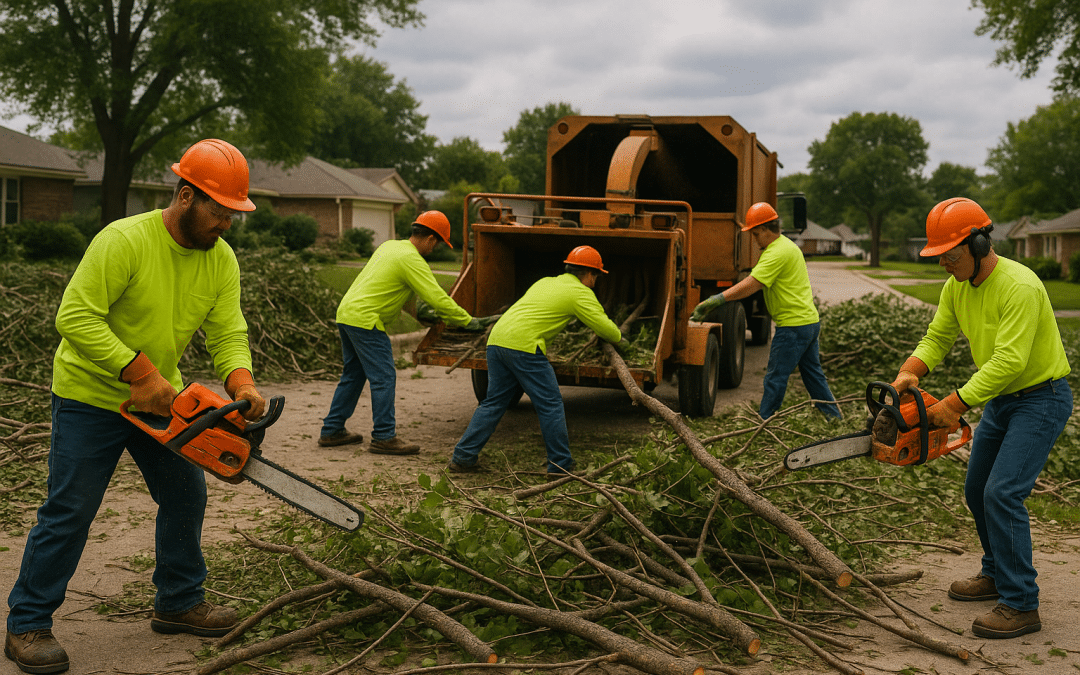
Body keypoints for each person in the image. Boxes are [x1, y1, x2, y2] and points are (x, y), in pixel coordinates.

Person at [5, 139, 267, 674]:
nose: (227, 223)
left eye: (234, 213)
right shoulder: (124, 239)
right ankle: (27, 624)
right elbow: (75, 317)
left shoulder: (221, 260)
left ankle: (177, 602)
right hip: (90, 396)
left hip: (159, 400)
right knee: (71, 510)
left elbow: (228, 331)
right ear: (186, 195)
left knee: (185, 494)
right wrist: (138, 372)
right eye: (220, 210)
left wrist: (241, 382)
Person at [889, 197, 1071, 640]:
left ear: (979, 243)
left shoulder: (1019, 285)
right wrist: (909, 372)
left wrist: (953, 404)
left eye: (950, 254)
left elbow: (1010, 360)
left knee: (1003, 493)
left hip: (1040, 399)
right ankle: (996, 573)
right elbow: (938, 336)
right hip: (1002, 401)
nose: (944, 264)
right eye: (939, 256)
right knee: (977, 490)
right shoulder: (957, 287)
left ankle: (1022, 603)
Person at [319, 211, 491, 455]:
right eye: (439, 242)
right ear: (431, 238)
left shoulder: (391, 247)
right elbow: (438, 298)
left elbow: (404, 293)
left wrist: (419, 315)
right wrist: (468, 321)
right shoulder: (412, 259)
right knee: (384, 377)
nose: (436, 248)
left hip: (346, 315)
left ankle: (332, 430)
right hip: (366, 321)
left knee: (353, 375)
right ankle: (383, 436)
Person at [448, 245, 626, 477]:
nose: (596, 280)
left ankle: (462, 458)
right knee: (550, 404)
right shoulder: (581, 293)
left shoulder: (545, 282)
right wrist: (623, 338)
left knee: (492, 403)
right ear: (589, 273)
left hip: (497, 341)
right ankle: (560, 465)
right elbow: (608, 331)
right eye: (597, 275)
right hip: (524, 348)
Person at [690, 202, 841, 420]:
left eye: (755, 234)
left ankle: (763, 423)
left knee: (775, 377)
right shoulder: (787, 246)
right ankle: (834, 418)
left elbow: (752, 284)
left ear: (763, 230)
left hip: (793, 326)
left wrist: (716, 300)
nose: (755, 239)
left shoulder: (776, 252)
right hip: (808, 322)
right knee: (814, 376)